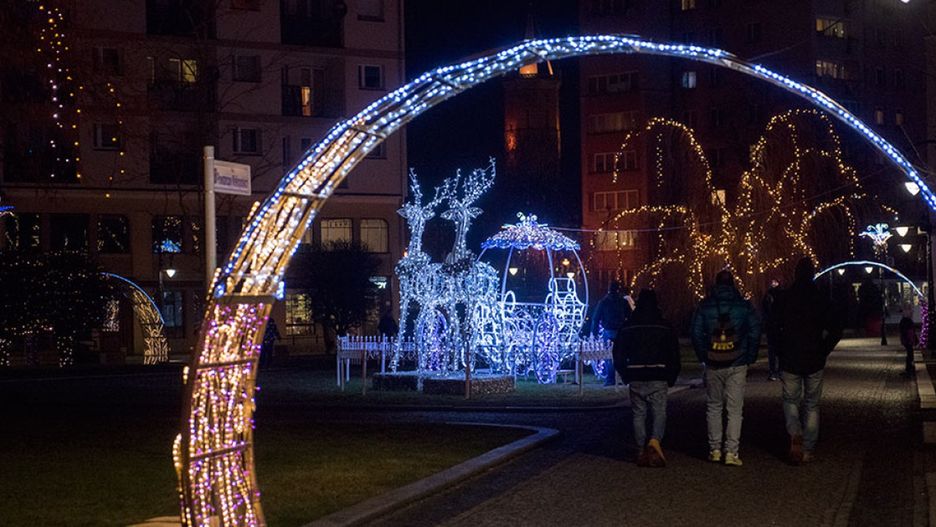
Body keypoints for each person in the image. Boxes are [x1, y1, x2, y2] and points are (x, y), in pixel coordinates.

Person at [771, 257, 843, 465]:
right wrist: (824, 348)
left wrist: (779, 351)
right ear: (812, 274)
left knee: (790, 400)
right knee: (812, 404)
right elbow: (835, 328)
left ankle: (795, 432)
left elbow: (773, 327)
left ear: (795, 274)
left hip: (790, 357)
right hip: (814, 357)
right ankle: (808, 448)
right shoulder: (821, 298)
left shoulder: (784, 298)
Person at [691, 269, 761, 467]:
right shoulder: (744, 305)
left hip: (713, 361)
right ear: (732, 284)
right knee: (735, 409)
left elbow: (695, 332)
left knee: (713, 406)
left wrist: (703, 355)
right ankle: (731, 451)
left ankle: (714, 449)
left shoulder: (704, 306)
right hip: (737, 362)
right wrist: (750, 355)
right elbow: (755, 330)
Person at [613, 289, 681, 467]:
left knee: (638, 413)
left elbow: (618, 352)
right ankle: (655, 440)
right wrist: (671, 375)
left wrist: (624, 373)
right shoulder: (664, 326)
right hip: (658, 373)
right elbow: (674, 352)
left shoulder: (629, 326)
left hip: (635, 373)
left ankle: (640, 448)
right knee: (659, 411)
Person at [592, 281, 633, 386]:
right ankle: (621, 377)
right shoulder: (622, 302)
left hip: (609, 330)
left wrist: (594, 332)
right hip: (621, 331)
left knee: (609, 356)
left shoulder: (603, 302)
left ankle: (610, 379)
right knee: (621, 355)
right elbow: (630, 316)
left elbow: (596, 318)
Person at [762, 279, 782, 381]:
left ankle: (776, 371)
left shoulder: (774, 295)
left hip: (775, 325)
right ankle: (775, 371)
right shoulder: (770, 295)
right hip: (774, 326)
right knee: (773, 350)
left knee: (775, 350)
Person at [899, 305, 916, 377]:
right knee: (910, 354)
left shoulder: (904, 321)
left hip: (906, 340)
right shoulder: (907, 321)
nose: (912, 312)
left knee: (909, 354)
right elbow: (909, 332)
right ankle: (909, 369)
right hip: (908, 340)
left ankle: (909, 369)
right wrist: (911, 340)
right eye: (910, 311)